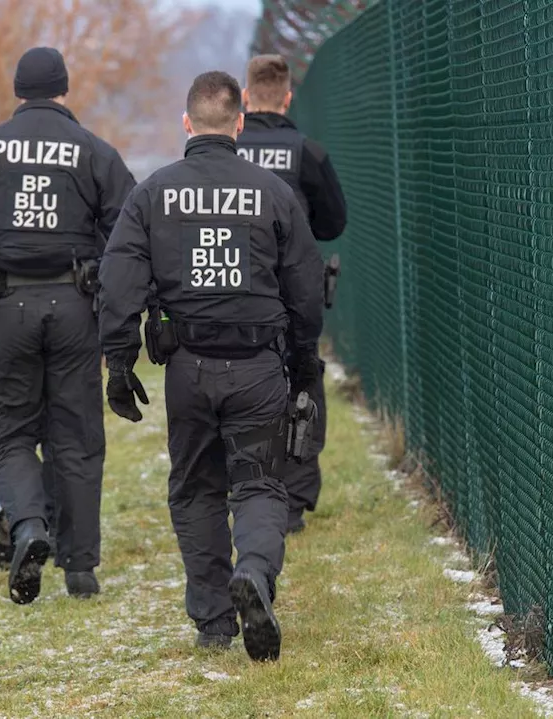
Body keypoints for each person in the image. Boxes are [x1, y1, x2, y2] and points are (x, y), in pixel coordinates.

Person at [98, 70, 325, 661]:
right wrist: (303, 369)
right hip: (257, 368)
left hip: (189, 371)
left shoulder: (153, 193)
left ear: (187, 124)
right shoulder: (272, 192)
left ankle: (214, 622)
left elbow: (119, 281)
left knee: (196, 489)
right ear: (240, 124)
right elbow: (303, 289)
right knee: (260, 485)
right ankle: (252, 572)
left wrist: (119, 364)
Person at [0, 46, 136, 605]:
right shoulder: (95, 152)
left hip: (4, 309)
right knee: (77, 435)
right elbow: (128, 232)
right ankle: (81, 569)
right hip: (75, 308)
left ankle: (28, 527)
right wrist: (116, 311)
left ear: (18, 91)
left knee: (9, 431)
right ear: (64, 91)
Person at [237, 54, 348, 535]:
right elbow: (333, 222)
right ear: (286, 98)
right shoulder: (307, 152)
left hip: (235, 290)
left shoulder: (225, 148)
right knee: (302, 380)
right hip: (295, 290)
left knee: (240, 381)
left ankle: (245, 482)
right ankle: (294, 501)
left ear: (244, 97)